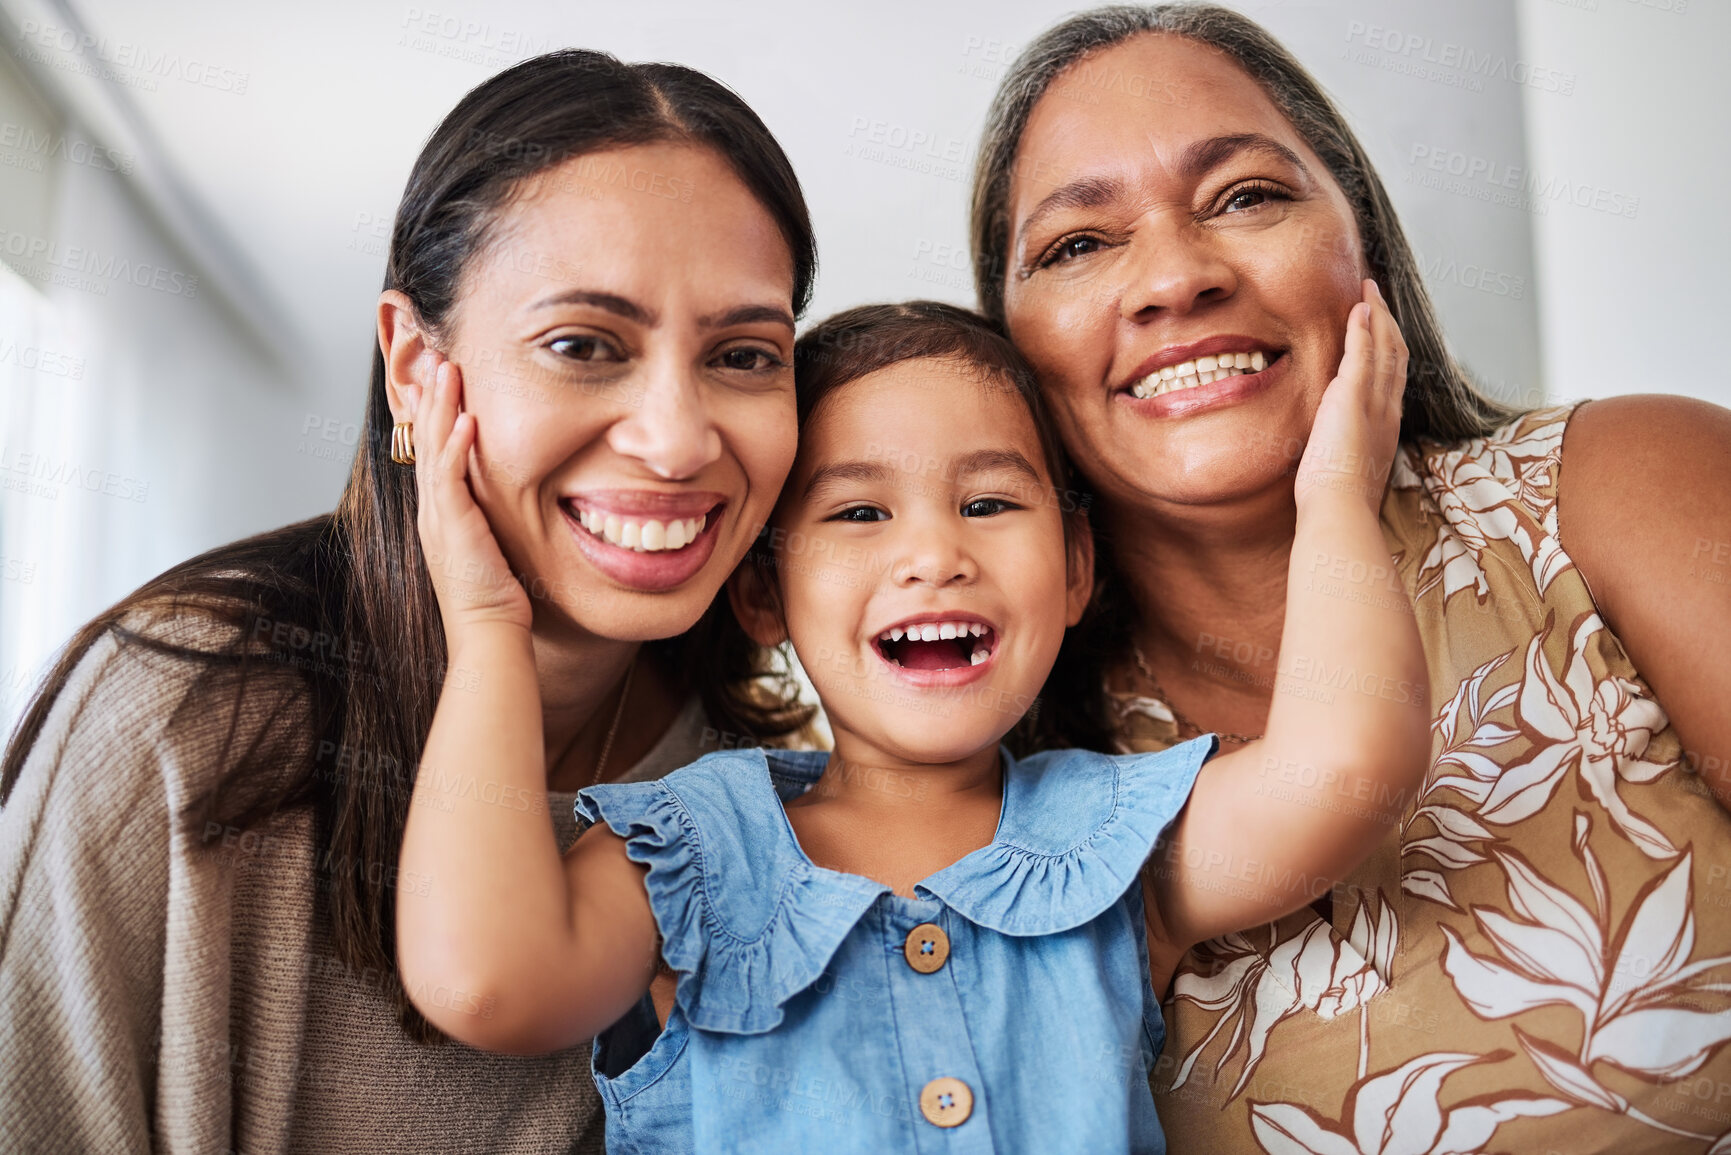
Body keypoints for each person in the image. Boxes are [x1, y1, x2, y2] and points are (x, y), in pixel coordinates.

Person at [0, 49, 816, 1153]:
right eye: (582, 345)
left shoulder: (750, 797)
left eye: (745, 354)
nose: (677, 440)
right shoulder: (178, 718)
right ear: (411, 368)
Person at [394, 296, 1426, 1153]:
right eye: (858, 513)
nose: (935, 554)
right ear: (762, 597)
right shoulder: (691, 847)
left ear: (1075, 570)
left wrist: (1335, 492)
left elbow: (1347, 771)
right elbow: (489, 982)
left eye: (988, 504)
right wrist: (487, 633)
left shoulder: (1106, 838)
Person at [970, 5, 1731, 1151]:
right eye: (1078, 244)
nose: (1174, 279)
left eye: (1247, 197)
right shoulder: (1015, 785)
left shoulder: (1619, 490)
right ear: (1006, 349)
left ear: (1361, 243)